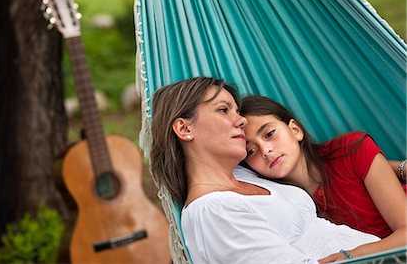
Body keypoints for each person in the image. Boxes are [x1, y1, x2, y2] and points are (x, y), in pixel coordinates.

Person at [150, 77, 381, 264]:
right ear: (184, 128)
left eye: (237, 111)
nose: (240, 121)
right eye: (223, 110)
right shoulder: (214, 212)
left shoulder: (243, 174)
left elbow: (317, 162)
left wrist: (388, 166)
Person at [240, 95, 406, 262]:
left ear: (295, 130)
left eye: (269, 134)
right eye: (251, 151)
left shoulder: (351, 151)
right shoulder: (280, 205)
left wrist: (349, 257)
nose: (266, 150)